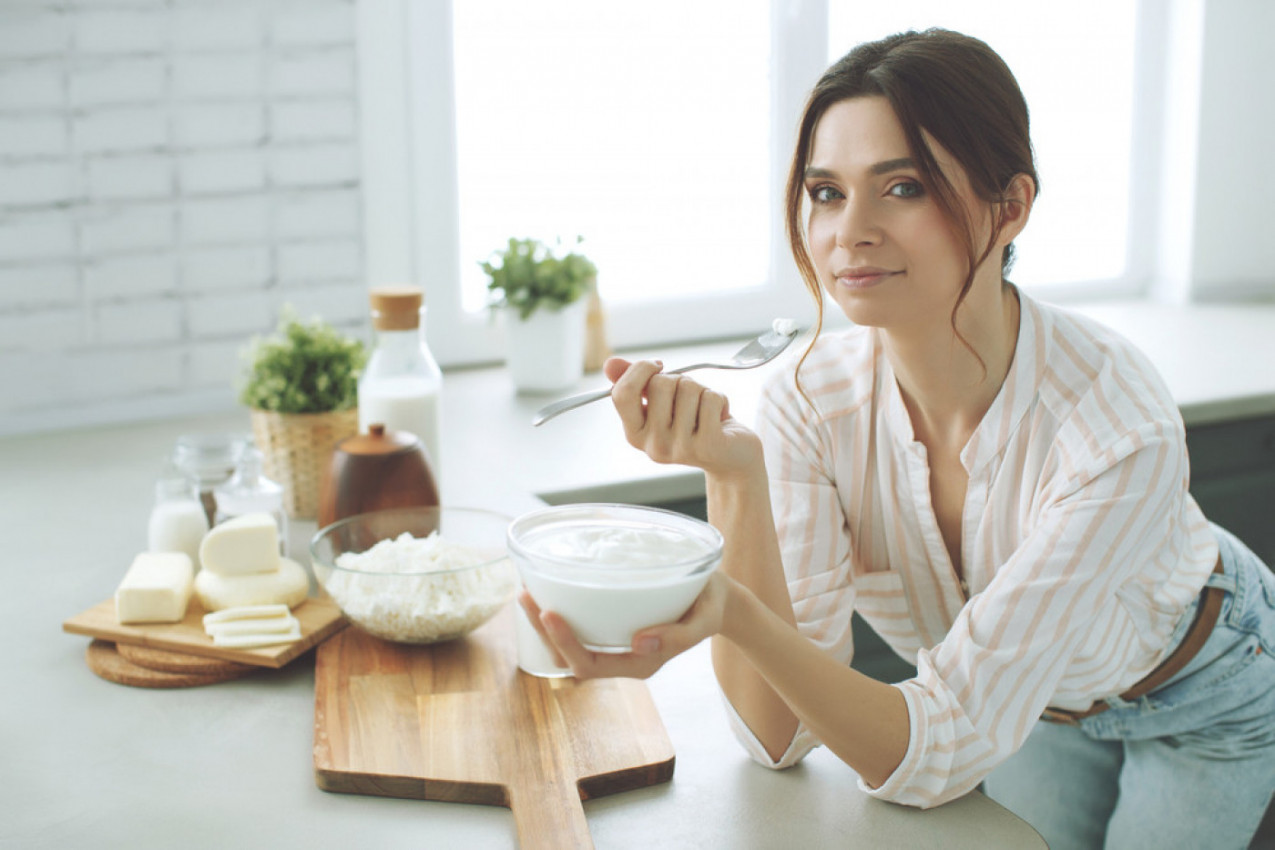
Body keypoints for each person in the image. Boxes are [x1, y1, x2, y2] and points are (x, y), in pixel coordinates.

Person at [520, 28, 1275, 850]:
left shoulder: (1115, 423)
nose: (849, 231)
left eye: (903, 187)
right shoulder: (810, 403)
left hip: (1208, 688)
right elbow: (777, 735)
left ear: (1010, 206)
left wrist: (732, 611)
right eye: (825, 192)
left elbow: (935, 756)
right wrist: (734, 478)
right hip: (1038, 704)